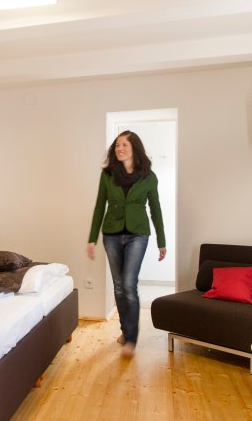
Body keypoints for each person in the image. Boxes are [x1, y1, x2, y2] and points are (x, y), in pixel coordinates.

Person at [86, 130, 167, 359]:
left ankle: (131, 338)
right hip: (111, 234)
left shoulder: (149, 177)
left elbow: (156, 210)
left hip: (137, 235)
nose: (119, 148)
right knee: (119, 286)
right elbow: (100, 206)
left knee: (129, 284)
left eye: (124, 145)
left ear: (134, 148)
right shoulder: (107, 175)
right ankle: (125, 330)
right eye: (117, 145)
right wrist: (92, 237)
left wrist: (162, 241)